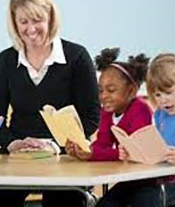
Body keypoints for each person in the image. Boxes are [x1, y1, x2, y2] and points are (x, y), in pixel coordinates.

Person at [0, 0, 100, 207]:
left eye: (37, 20)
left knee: (64, 200)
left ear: (50, 18)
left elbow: (91, 118)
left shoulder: (77, 57)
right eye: (23, 22)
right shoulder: (5, 61)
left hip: (65, 155)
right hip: (17, 155)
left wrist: (55, 145)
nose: (31, 29)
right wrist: (14, 144)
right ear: (14, 23)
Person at [66, 47, 163, 207]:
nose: (104, 96)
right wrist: (85, 151)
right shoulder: (107, 112)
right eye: (100, 90)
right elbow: (102, 145)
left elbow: (133, 154)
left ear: (131, 91)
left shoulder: (140, 110)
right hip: (128, 179)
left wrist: (96, 154)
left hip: (149, 181)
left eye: (111, 90)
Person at [146, 53, 175, 206]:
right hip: (160, 176)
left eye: (168, 92)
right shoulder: (159, 115)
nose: (163, 100)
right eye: (158, 94)